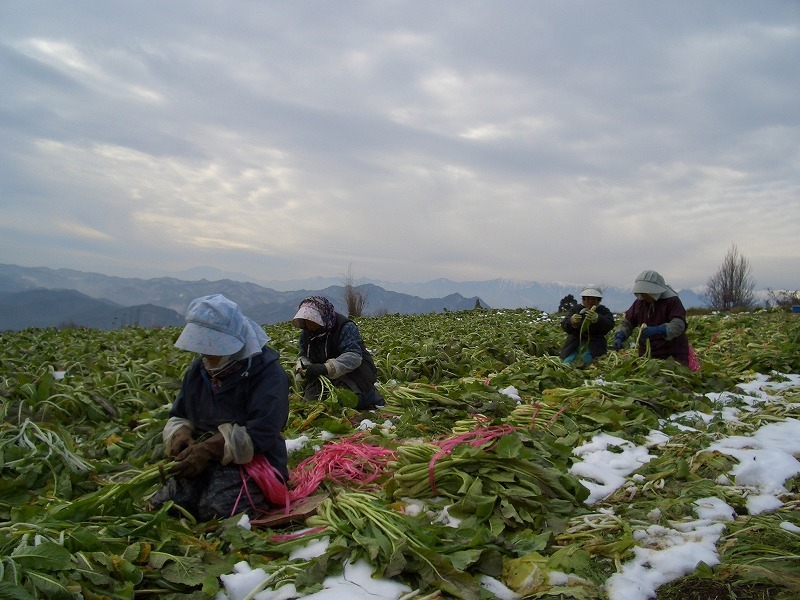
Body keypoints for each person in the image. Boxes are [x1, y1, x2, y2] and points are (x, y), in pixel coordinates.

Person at [149, 294, 290, 521]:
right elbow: (180, 414)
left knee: (218, 509)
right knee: (168, 505)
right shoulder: (198, 372)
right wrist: (181, 434)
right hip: (202, 458)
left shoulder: (268, 375)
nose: (207, 354)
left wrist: (208, 449)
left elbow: (261, 432)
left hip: (253, 462)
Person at [291, 296, 384, 410]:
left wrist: (327, 368)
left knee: (344, 402)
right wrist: (304, 366)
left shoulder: (344, 327)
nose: (310, 326)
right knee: (309, 404)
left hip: (353, 374)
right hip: (325, 377)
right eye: (306, 321)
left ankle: (371, 396)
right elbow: (304, 354)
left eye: (313, 321)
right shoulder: (308, 333)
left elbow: (354, 356)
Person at [612, 270, 691, 367]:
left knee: (669, 377)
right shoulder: (640, 303)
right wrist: (620, 335)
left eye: (646, 292)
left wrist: (660, 329)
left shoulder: (672, 301)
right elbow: (628, 322)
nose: (644, 295)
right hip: (647, 353)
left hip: (672, 352)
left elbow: (679, 324)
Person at [559, 285, 615, 367]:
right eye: (588, 298)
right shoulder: (576, 309)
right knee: (567, 362)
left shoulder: (603, 310)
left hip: (595, 344)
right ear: (584, 299)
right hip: (575, 343)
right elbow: (565, 325)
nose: (590, 301)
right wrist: (572, 321)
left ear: (598, 300)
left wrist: (598, 319)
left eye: (593, 299)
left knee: (585, 361)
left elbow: (610, 324)